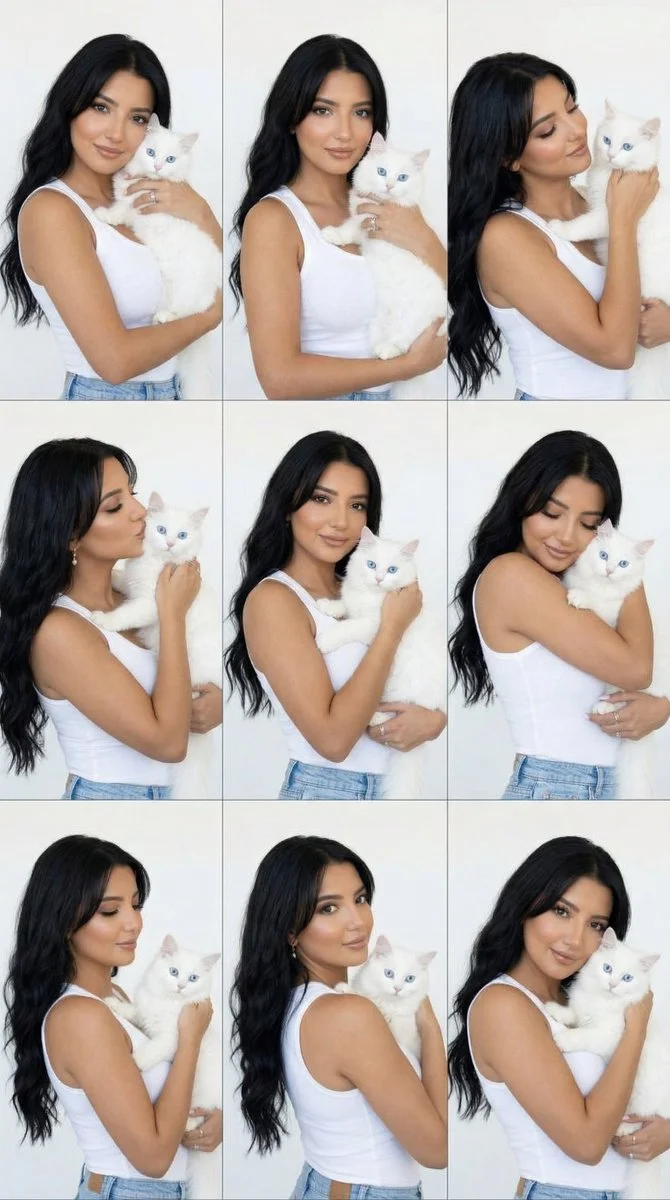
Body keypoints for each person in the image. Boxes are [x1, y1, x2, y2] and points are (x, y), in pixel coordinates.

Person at [224, 430, 446, 799]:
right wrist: (391, 628)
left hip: (395, 785)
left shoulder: (367, 588)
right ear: (286, 505)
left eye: (357, 505)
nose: (341, 521)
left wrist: (435, 719)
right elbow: (333, 741)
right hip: (328, 792)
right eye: (321, 499)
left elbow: (419, 666)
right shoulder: (275, 601)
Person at [448, 430, 669, 799]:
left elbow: (637, 679)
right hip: (557, 785)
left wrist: (661, 709)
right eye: (552, 513)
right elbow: (636, 669)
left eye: (588, 524)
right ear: (522, 500)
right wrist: (629, 565)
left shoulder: (567, 580)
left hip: (601, 784)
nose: (566, 536)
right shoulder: (511, 576)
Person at [0, 34, 222, 400]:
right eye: (101, 108)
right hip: (107, 398)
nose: (116, 134)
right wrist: (206, 317)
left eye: (136, 118)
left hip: (177, 394)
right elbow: (114, 362)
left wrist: (199, 209)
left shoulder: (147, 195)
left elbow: (217, 269)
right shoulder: (53, 211)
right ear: (70, 105)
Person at [0, 437, 222, 799]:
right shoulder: (60, 631)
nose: (140, 511)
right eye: (115, 506)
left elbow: (186, 691)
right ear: (71, 533)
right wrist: (172, 612)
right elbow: (168, 743)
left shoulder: (129, 597)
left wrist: (213, 703)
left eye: (133, 494)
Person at [449, 835, 670, 1199]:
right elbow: (586, 1145)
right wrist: (637, 1027)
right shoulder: (503, 1005)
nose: (575, 939)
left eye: (596, 924)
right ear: (524, 904)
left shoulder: (575, 998)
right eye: (562, 911)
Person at [2, 833, 222, 1199]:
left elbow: (168, 1102)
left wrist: (210, 1123)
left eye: (136, 905)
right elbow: (153, 1158)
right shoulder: (80, 1017)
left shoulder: (112, 998)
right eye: (110, 911)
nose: (133, 923)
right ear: (64, 921)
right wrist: (191, 1039)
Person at [229, 34, 446, 400]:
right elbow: (278, 379)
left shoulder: (394, 202)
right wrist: (404, 366)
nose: (345, 133)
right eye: (323, 110)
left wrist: (424, 238)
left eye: (361, 112)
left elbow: (449, 295)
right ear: (292, 117)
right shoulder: (274, 220)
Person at [229, 834, 446, 1197]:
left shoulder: (291, 1002)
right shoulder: (347, 1014)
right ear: (290, 932)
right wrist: (431, 1029)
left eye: (360, 899)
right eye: (328, 908)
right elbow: (437, 1149)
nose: (358, 922)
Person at [448, 52, 660, 399]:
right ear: (508, 157)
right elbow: (615, 350)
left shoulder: (592, 202)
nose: (577, 130)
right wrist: (622, 218)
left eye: (572, 107)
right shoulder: (505, 236)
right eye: (548, 130)